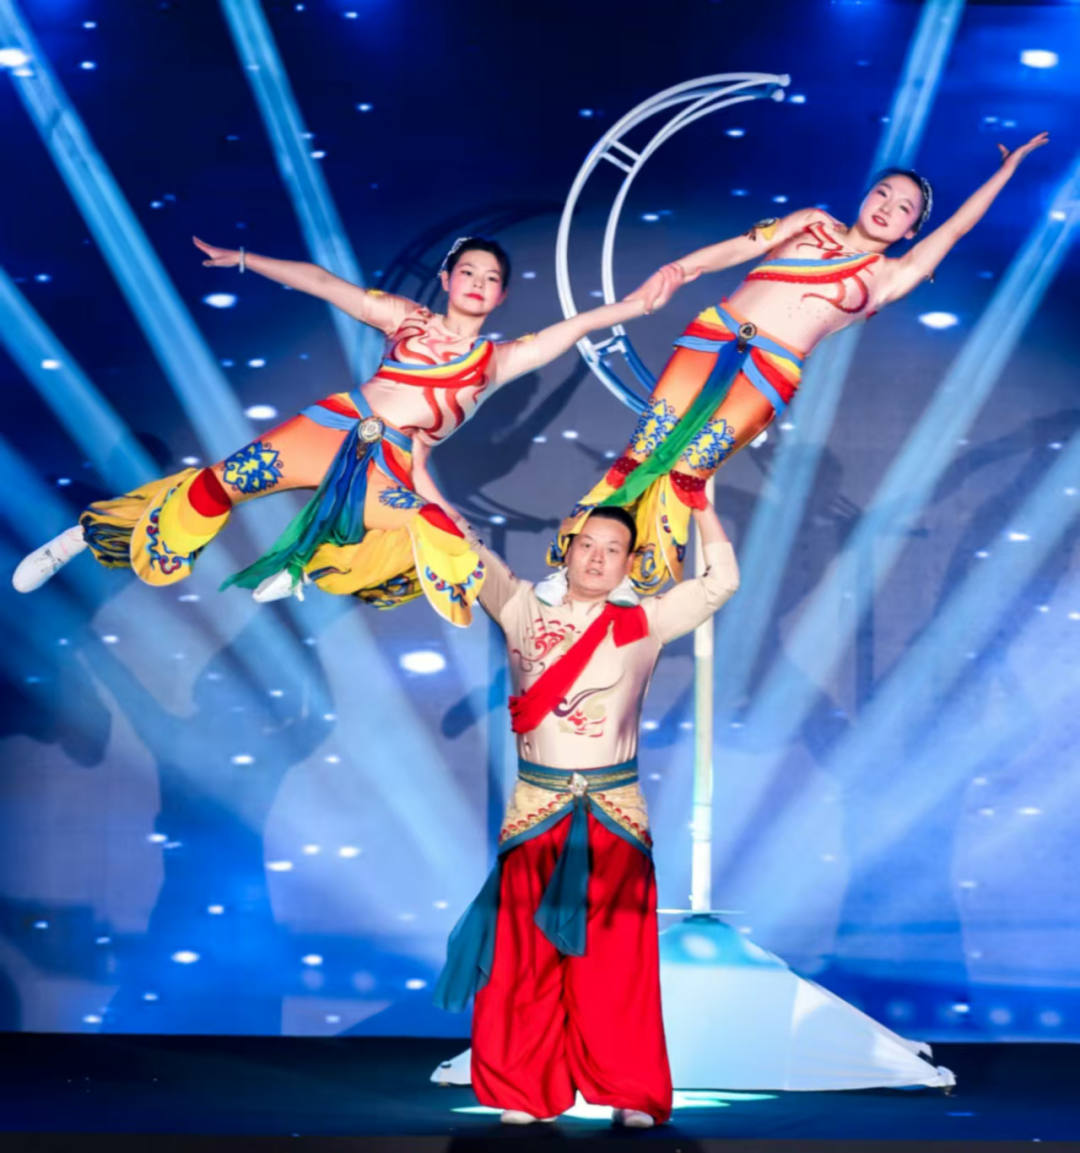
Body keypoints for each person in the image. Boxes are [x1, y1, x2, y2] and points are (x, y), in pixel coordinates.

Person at [14, 237, 658, 626]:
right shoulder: (406, 319)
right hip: (328, 426)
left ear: (501, 297)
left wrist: (638, 304)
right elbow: (324, 283)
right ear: (447, 280)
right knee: (213, 487)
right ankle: (83, 536)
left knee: (440, 535)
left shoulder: (500, 359)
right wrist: (247, 259)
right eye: (469, 272)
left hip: (387, 464)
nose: (478, 284)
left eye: (491, 279)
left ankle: (305, 564)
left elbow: (578, 326)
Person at [551, 133, 1050, 594]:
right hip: (713, 337)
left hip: (769, 373)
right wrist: (680, 269)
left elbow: (958, 228)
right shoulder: (812, 221)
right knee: (645, 447)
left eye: (903, 208)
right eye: (882, 194)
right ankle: (575, 563)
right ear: (866, 195)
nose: (887, 208)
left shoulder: (892, 276)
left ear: (912, 230)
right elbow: (740, 247)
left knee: (687, 471)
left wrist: (1007, 171)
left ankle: (636, 583)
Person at [410, 439, 739, 1126]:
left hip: (614, 815)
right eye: (586, 545)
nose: (596, 558)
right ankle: (523, 1091)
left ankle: (628, 1091)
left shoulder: (643, 622)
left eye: (612, 549)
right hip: (536, 811)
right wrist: (414, 471)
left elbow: (719, 584)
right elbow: (459, 541)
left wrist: (702, 509)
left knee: (616, 966)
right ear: (566, 550)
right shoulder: (520, 607)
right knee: (523, 961)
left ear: (629, 561)